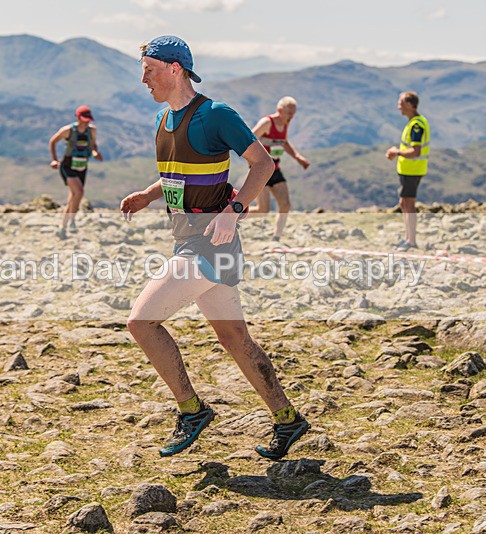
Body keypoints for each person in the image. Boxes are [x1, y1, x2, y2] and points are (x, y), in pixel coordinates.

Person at [120, 35, 309, 461]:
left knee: (141, 321)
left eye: (149, 70)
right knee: (234, 337)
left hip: (211, 244)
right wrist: (148, 195)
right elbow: (180, 175)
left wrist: (235, 209)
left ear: (175, 69)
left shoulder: (215, 114)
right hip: (189, 238)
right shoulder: (163, 120)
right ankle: (288, 418)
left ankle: (192, 411)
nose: (143, 79)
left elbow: (263, 164)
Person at [251, 96, 310, 241]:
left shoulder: (284, 124)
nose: (291, 117)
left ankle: (276, 238)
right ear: (279, 110)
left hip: (275, 169)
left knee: (285, 205)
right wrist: (253, 162)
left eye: (293, 113)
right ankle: (230, 219)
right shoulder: (267, 123)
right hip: (260, 170)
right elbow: (249, 140)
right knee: (262, 210)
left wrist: (298, 157)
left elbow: (283, 142)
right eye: (289, 113)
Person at [49, 105, 103, 239]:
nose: (86, 122)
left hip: (82, 166)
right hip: (68, 166)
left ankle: (62, 228)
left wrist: (95, 153)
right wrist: (54, 160)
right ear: (78, 118)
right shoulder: (68, 130)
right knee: (79, 192)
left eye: (88, 120)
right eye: (84, 119)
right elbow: (53, 141)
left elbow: (93, 145)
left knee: (73, 198)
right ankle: (72, 220)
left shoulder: (92, 131)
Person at [385, 91, 430, 251]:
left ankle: (411, 241)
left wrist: (397, 152)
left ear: (410, 105)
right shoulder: (414, 122)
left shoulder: (416, 125)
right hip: (408, 170)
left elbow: (415, 151)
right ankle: (407, 238)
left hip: (413, 170)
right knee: (404, 203)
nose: (399, 107)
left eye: (401, 103)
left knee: (408, 204)